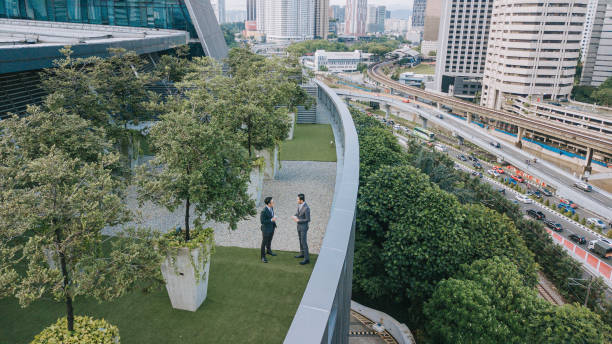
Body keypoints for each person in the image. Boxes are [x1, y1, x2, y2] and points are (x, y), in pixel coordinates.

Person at [292, 193, 311, 265]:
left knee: (304, 242)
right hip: (299, 226)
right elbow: (298, 213)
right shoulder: (299, 205)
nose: (296, 200)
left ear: (301, 200)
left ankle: (307, 259)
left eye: (297, 199)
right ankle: (302, 253)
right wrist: (294, 216)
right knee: (300, 240)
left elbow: (308, 219)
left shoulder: (307, 208)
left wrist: (298, 220)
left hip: (303, 227)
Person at [260, 197, 277, 263]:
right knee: (264, 243)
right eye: (272, 202)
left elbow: (271, 215)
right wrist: (271, 220)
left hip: (272, 227)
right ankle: (263, 257)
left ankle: (269, 251)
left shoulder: (271, 207)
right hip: (266, 229)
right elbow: (262, 221)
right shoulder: (263, 211)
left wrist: (273, 217)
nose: (273, 203)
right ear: (269, 204)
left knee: (269, 240)